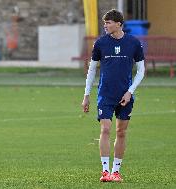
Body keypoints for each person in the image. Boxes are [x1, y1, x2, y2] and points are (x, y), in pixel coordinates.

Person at [81, 9, 145, 182]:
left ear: (118, 24)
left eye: (108, 23)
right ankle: (105, 171)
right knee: (106, 129)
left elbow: (141, 71)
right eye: (104, 23)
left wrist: (130, 91)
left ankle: (116, 172)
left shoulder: (133, 43)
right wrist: (86, 95)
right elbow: (92, 69)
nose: (105, 26)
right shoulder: (100, 43)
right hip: (105, 95)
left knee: (121, 132)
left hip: (125, 95)